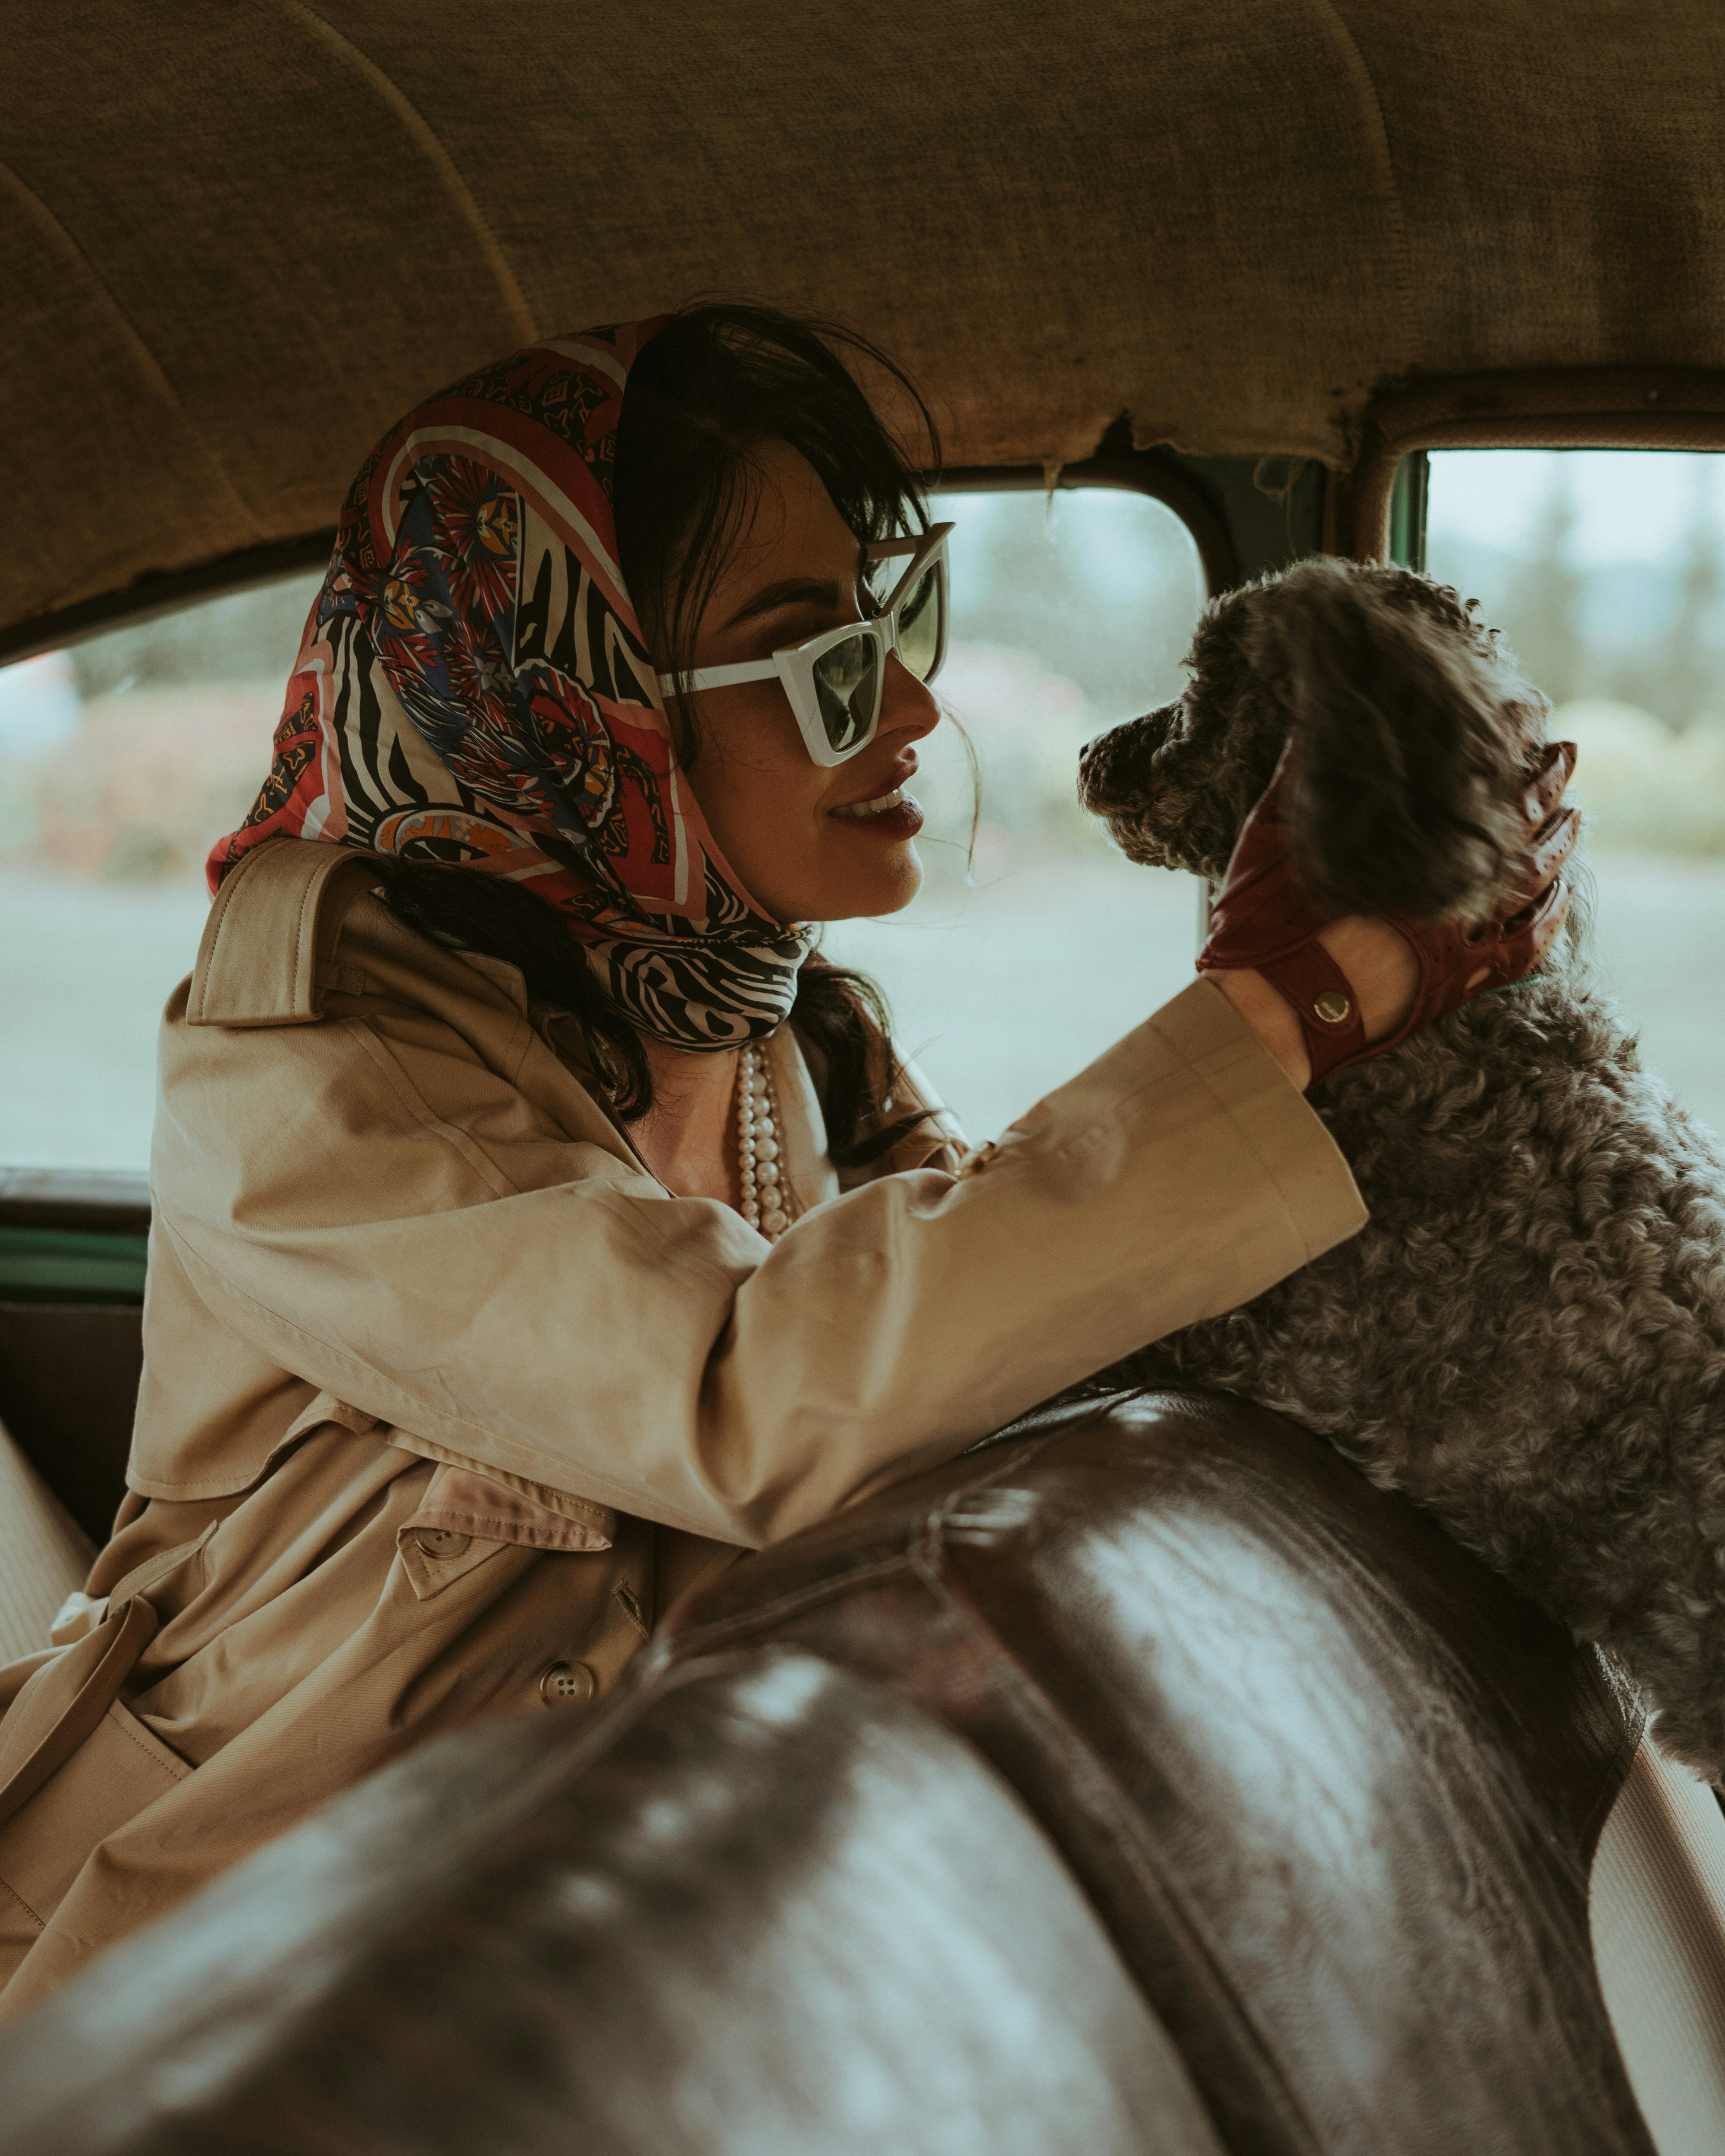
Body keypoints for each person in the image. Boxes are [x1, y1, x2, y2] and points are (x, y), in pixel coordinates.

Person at [0, 305, 1574, 2015]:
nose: (910, 703)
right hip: (213, 1992)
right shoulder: (304, 1067)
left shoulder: (781, 1022)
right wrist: (1279, 1007)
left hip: (587, 1935)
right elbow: (740, 1394)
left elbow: (983, 1322)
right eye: (815, 654)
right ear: (576, 695)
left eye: (894, 618)